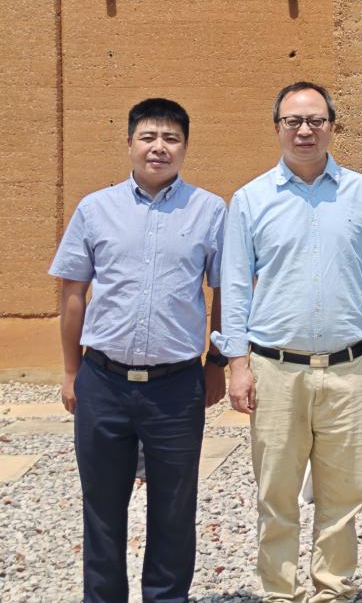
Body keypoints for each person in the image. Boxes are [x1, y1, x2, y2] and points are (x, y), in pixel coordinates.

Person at [214, 81, 362, 603]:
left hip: (348, 368)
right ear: (277, 128)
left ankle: (333, 589)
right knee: (276, 493)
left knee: (344, 494)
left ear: (332, 126)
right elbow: (234, 284)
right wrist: (237, 363)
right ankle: (279, 591)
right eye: (293, 121)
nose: (304, 131)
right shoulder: (250, 199)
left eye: (315, 120)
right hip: (275, 370)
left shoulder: (360, 192)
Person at [50, 97, 227, 603]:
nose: (159, 147)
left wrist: (216, 362)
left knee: (174, 510)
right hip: (102, 381)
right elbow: (73, 294)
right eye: (148, 136)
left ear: (185, 147)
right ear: (129, 143)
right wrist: (71, 371)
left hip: (176, 388)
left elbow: (225, 292)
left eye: (171, 138)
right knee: (102, 509)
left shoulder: (210, 210)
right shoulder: (95, 209)